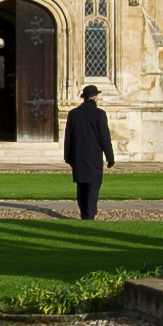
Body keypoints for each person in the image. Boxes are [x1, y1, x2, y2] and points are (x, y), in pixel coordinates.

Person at [63, 80, 114, 223]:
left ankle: (84, 212)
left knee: (82, 186)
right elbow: (105, 137)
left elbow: (68, 137)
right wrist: (110, 157)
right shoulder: (99, 114)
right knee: (93, 186)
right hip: (93, 156)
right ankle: (90, 214)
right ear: (95, 97)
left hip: (78, 156)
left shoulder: (73, 114)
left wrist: (67, 156)